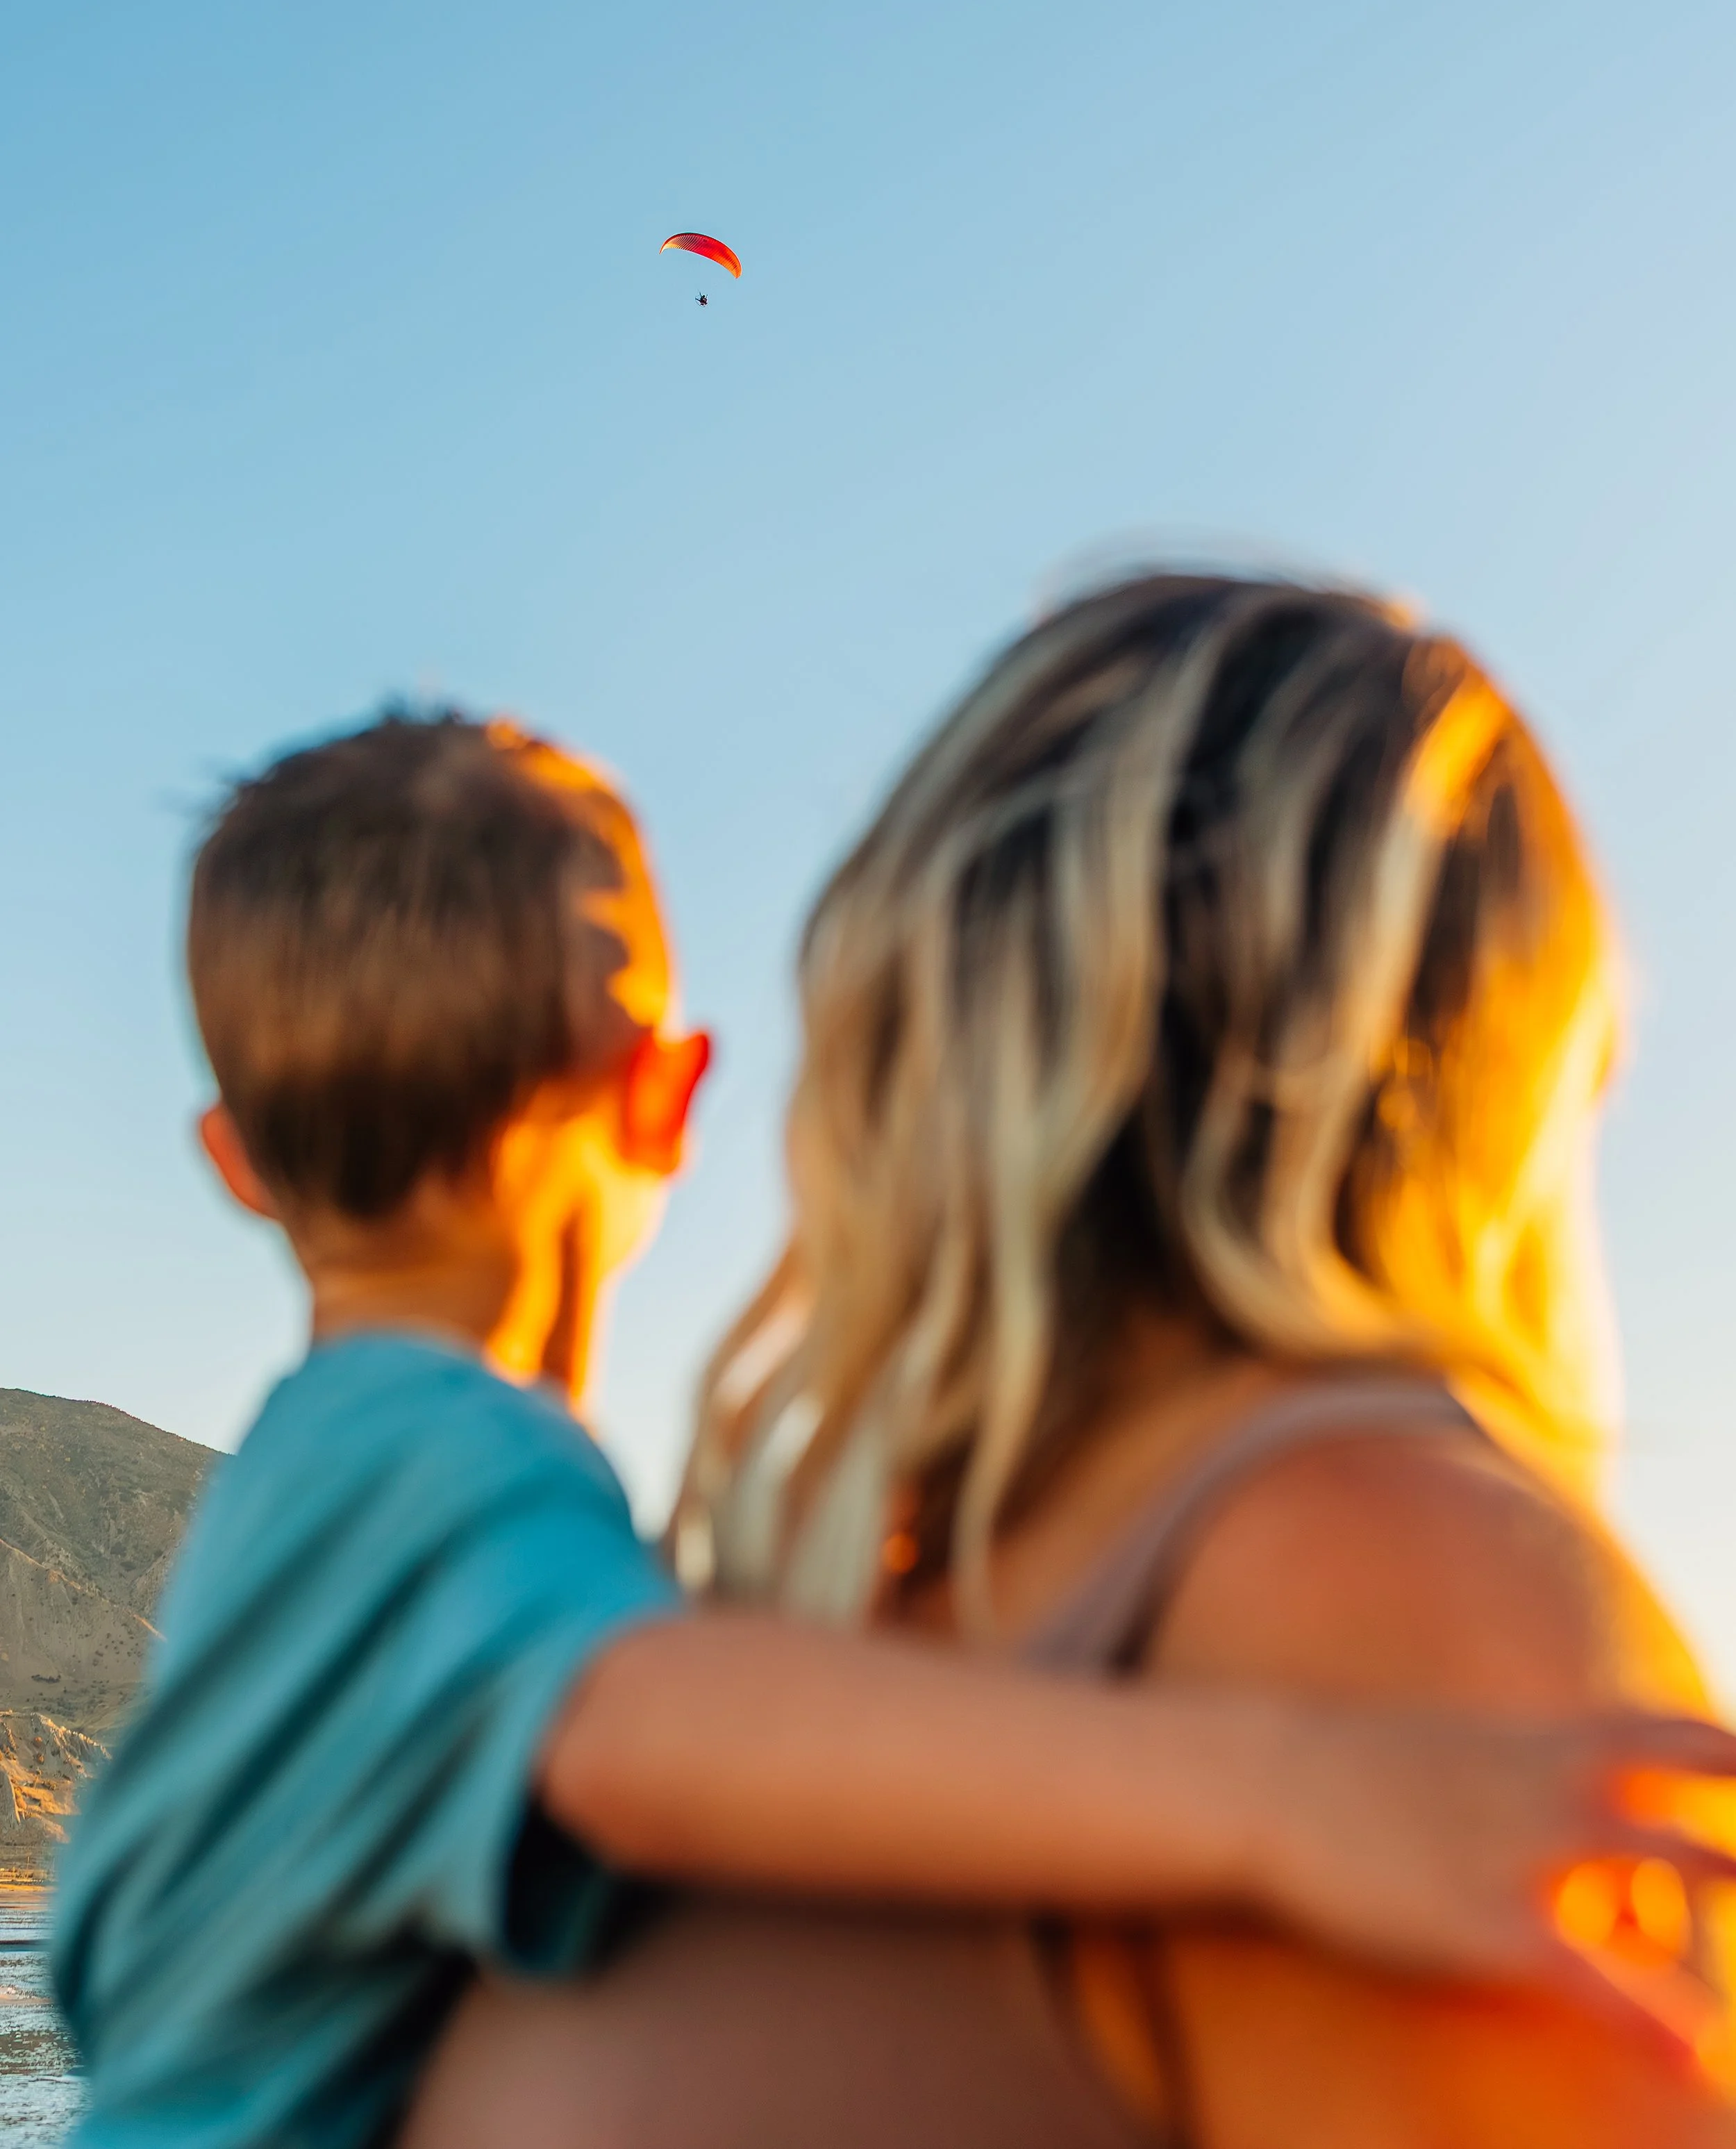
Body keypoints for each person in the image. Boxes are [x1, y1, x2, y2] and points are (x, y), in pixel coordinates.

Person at [52, 706, 1720, 2149]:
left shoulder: (310, 1496)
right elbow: (638, 1740)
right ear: (672, 1093)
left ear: (234, 1163)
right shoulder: (426, 1460)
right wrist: (1292, 1795)